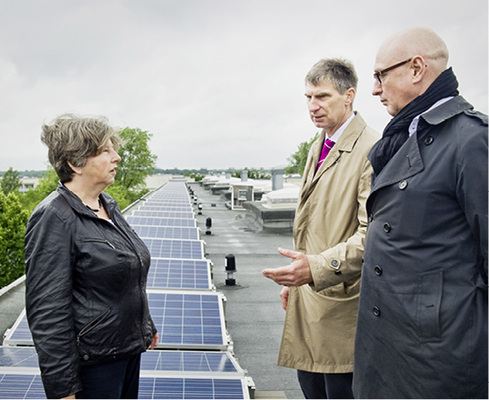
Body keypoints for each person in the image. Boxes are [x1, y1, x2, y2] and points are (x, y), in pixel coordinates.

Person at [353, 27, 488, 399]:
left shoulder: (471, 139)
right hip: (386, 346)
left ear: (416, 69)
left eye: (381, 75)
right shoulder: (401, 137)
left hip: (437, 357)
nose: (376, 89)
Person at [262, 59, 379, 399]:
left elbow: (371, 235)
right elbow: (314, 223)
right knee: (311, 389)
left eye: (323, 97)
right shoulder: (319, 145)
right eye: (308, 97)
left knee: (338, 390)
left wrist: (313, 270)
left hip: (342, 306)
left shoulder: (372, 149)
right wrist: (298, 281)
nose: (313, 106)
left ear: (349, 96)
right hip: (310, 298)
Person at [25, 114, 159, 399]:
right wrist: (63, 390)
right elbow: (48, 311)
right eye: (105, 151)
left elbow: (126, 272)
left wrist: (144, 326)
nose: (117, 157)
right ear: (75, 162)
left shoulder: (107, 205)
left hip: (126, 353)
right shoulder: (55, 217)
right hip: (93, 367)